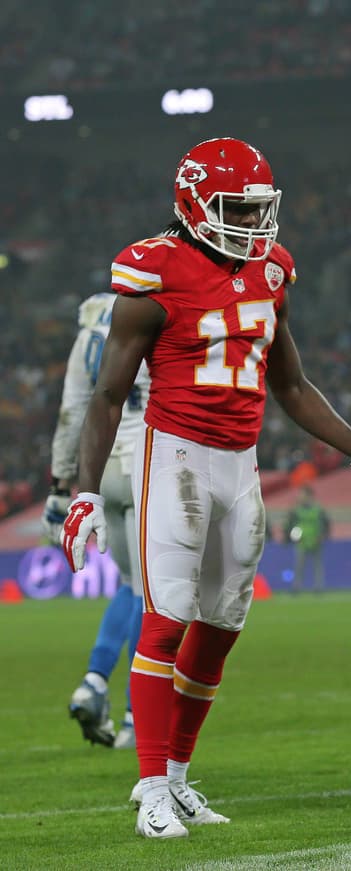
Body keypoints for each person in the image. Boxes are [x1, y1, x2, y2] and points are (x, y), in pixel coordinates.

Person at [59, 137, 351, 840]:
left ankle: (177, 776)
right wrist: (84, 492)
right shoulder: (154, 272)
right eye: (236, 208)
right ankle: (150, 790)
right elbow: (108, 394)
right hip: (175, 457)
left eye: (257, 208)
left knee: (219, 629)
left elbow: (292, 386)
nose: (252, 222)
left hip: (240, 465)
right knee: (166, 619)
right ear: (194, 205)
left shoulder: (271, 270)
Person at [45, 292, 150, 750]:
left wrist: (59, 485)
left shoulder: (87, 338)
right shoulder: (150, 322)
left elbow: (71, 415)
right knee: (151, 597)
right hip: (149, 464)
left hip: (103, 471)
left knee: (130, 585)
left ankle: (93, 681)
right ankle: (135, 716)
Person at [286, 485, 329, 592]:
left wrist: (322, 536)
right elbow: (290, 525)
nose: (300, 497)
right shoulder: (296, 510)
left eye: (302, 494)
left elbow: (325, 524)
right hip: (301, 541)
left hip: (315, 540)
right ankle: (296, 587)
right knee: (299, 566)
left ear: (309, 496)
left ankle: (318, 587)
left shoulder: (318, 510)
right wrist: (292, 537)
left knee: (317, 565)